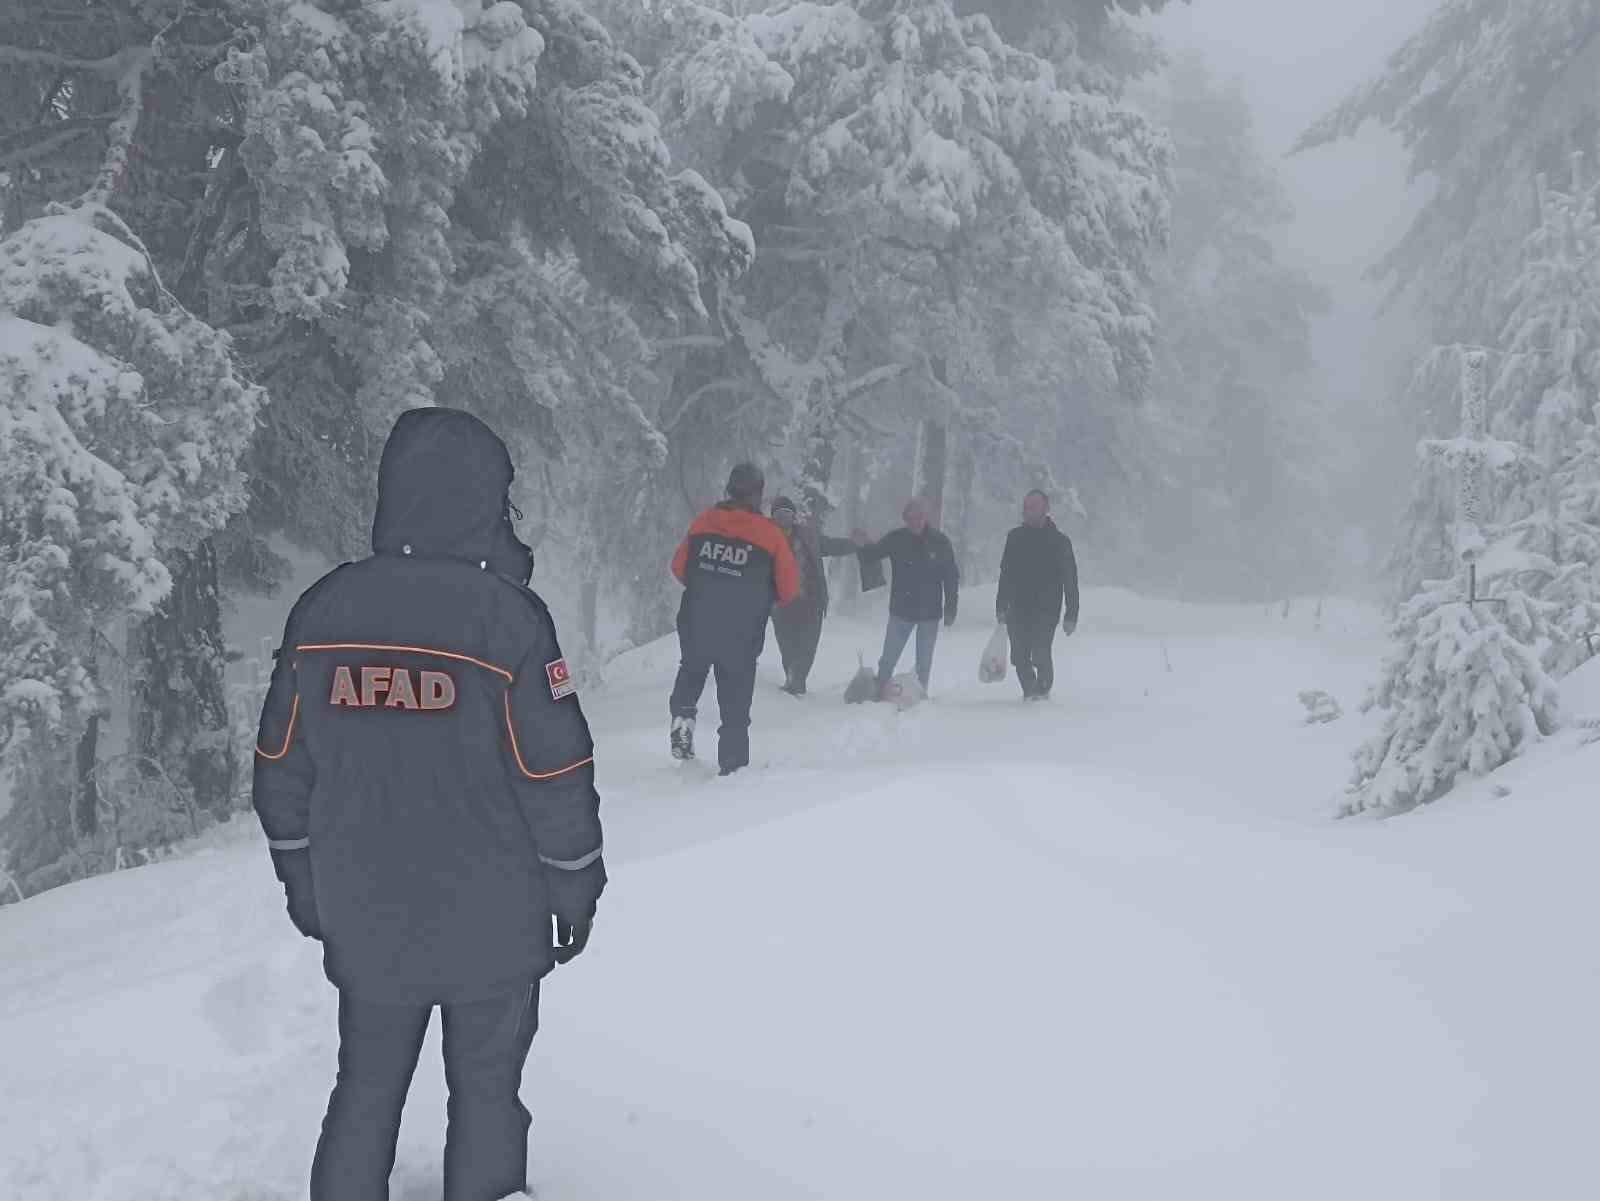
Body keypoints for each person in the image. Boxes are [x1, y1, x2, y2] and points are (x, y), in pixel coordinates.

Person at [252, 407, 606, 1201]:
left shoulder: (322, 611)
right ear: (486, 497)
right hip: (494, 920)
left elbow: (280, 766)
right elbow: (555, 773)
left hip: (366, 913)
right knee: (486, 1095)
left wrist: (304, 884)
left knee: (364, 1092)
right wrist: (576, 886)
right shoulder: (509, 618)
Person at [669, 463, 800, 774]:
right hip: (741, 630)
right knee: (735, 699)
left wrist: (709, 584)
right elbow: (789, 589)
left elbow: (678, 567)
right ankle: (731, 765)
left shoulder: (704, 522)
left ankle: (683, 717)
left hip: (697, 619)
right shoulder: (769, 535)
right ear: (758, 495)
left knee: (692, 669)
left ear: (729, 489)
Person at [854, 497, 960, 697]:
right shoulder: (896, 539)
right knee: (888, 659)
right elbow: (872, 555)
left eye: (919, 517)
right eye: (911, 518)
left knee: (924, 663)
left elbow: (950, 575)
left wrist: (951, 605)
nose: (915, 521)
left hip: (930, 612)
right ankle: (879, 691)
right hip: (901, 610)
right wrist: (862, 545)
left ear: (925, 517)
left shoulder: (939, 541)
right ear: (905, 519)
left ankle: (919, 696)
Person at [769, 494, 858, 696]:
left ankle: (796, 680)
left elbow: (831, 545)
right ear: (773, 517)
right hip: (782, 603)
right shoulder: (766, 539)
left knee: (808, 645)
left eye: (787, 513)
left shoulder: (808, 536)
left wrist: (853, 544)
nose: (783, 517)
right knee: (787, 646)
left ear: (793, 516)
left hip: (811, 600)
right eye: (778, 514)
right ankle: (794, 681)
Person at [995, 489, 1080, 701]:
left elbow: (1070, 580)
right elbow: (1005, 574)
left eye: (1034, 506)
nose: (1028, 510)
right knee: (1019, 655)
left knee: (1041, 651)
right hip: (1017, 606)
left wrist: (1072, 614)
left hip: (1046, 609)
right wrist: (1000, 605)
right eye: (1026, 506)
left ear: (1046, 509)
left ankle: (1042, 689)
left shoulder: (1060, 542)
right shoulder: (1015, 538)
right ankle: (1030, 690)